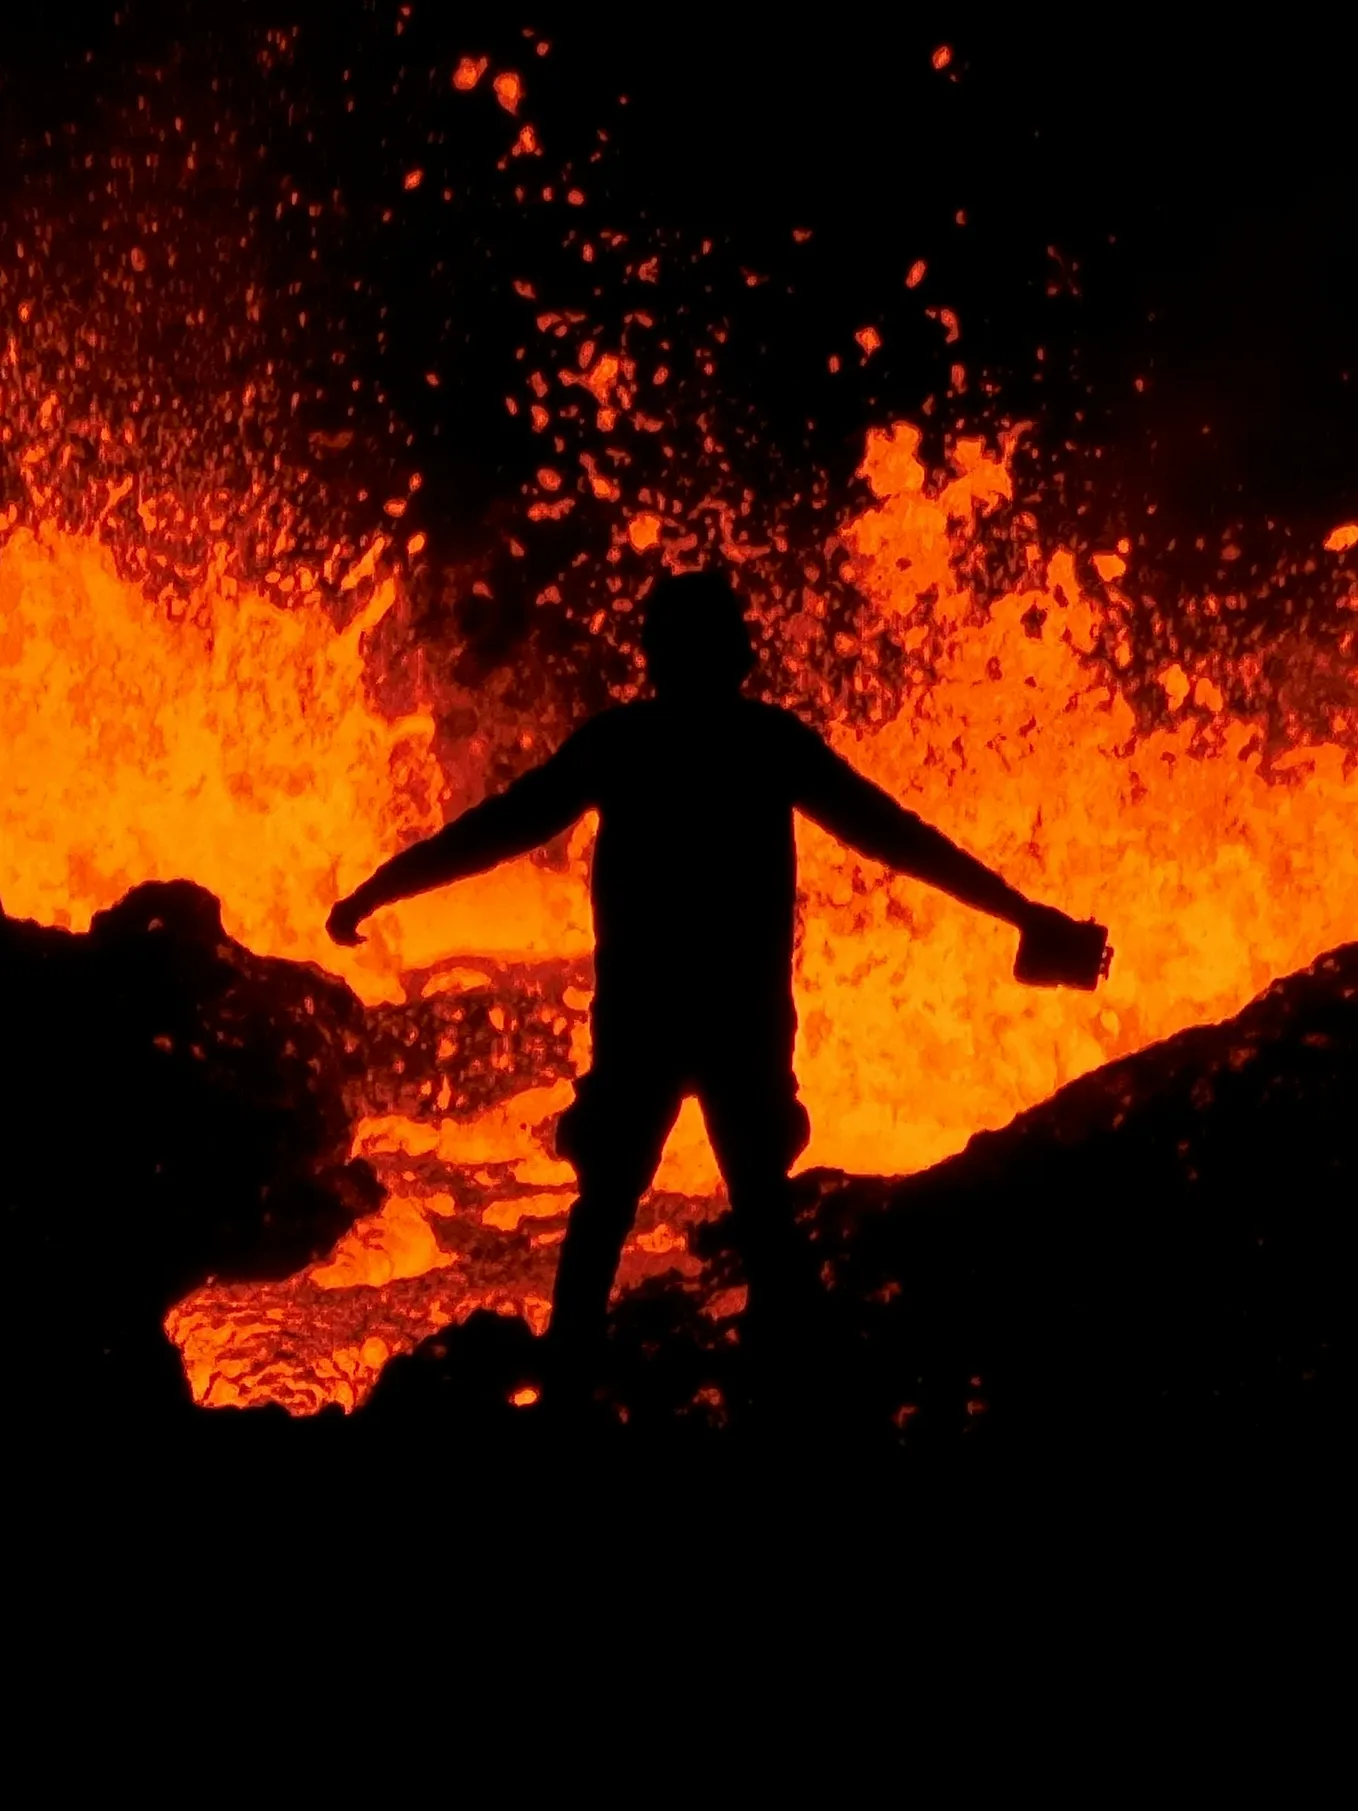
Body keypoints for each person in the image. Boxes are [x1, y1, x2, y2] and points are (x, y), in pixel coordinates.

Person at [328, 570, 1099, 1403]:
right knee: (761, 1222)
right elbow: (897, 837)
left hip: (648, 1019)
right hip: (739, 1022)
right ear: (738, 653)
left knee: (607, 1214)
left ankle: (568, 1409)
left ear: (654, 656)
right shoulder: (766, 745)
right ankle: (786, 1412)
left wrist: (383, 887)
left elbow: (499, 828)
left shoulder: (623, 745)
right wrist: (1019, 911)